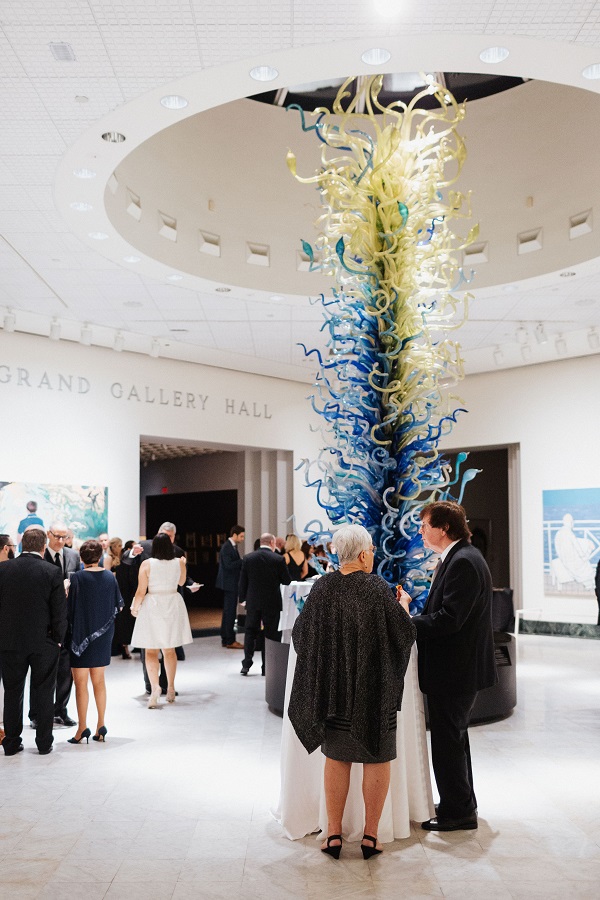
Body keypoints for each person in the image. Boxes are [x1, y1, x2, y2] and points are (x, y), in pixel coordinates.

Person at [288, 524, 415, 859]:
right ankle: (370, 837)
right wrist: (403, 607)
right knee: (377, 756)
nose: (372, 555)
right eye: (372, 550)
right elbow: (403, 634)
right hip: (372, 691)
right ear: (362, 555)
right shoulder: (376, 589)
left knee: (337, 757)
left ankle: (333, 834)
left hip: (332, 693)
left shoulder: (321, 588)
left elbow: (301, 637)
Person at [413, 500, 496, 832]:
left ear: (443, 528)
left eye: (425, 526)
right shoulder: (461, 557)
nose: (421, 531)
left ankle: (457, 812)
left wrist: (408, 622)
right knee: (454, 738)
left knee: (448, 740)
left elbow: (450, 620)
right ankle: (461, 801)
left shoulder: (463, 561)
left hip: (455, 668)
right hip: (458, 667)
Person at [0, 527, 66, 755]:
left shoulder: (3, 569)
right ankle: (44, 742)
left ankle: (10, 742)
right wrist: (58, 640)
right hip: (43, 643)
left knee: (12, 691)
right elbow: (59, 612)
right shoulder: (52, 571)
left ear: (21, 545)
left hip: (9, 642)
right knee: (45, 691)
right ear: (43, 546)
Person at [127, 523, 200, 692]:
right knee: (169, 649)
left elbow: (140, 591)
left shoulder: (147, 563)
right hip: (172, 602)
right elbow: (181, 582)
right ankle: (171, 688)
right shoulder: (178, 562)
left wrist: (135, 608)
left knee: (151, 650)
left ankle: (154, 689)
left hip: (153, 603)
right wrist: (183, 565)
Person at [67, 540, 123, 744]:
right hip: (104, 634)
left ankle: (82, 728)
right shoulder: (109, 577)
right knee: (99, 681)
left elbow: (70, 608)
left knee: (80, 684)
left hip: (80, 635)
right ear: (100, 556)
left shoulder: (78, 578)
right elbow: (118, 606)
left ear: (81, 558)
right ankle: (101, 724)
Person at [29, 522, 80, 728]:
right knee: (40, 671)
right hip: (43, 622)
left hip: (66, 620)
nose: (60, 541)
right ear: (48, 535)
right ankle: (36, 714)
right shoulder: (39, 557)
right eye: (57, 536)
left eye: (64, 537)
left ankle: (61, 710)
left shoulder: (73, 556)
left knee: (66, 671)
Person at [238, 532, 291, 676]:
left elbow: (243, 581)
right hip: (272, 602)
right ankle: (266, 668)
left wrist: (242, 598)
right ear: (272, 543)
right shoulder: (278, 559)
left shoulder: (248, 558)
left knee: (250, 632)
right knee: (271, 634)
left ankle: (246, 665)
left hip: (253, 601)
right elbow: (286, 581)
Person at [105, 537, 137, 658]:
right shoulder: (109, 558)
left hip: (124, 590)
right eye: (118, 545)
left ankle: (125, 646)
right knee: (119, 620)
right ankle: (121, 647)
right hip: (115, 590)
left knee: (125, 620)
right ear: (113, 546)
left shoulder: (122, 558)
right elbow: (107, 574)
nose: (120, 548)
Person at [215, 525, 245, 649]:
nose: (243, 539)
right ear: (235, 535)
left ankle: (226, 638)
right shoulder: (227, 547)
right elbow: (228, 565)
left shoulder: (231, 546)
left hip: (230, 583)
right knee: (230, 613)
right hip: (229, 584)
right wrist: (242, 560)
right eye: (241, 536)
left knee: (229, 612)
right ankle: (229, 640)